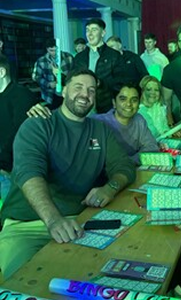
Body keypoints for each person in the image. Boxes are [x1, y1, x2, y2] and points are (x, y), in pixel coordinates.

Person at [0, 69, 136, 279]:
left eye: (91, 90)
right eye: (78, 87)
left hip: (78, 221)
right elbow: (29, 172)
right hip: (26, 224)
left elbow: (124, 166)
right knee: (23, 283)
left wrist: (111, 187)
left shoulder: (100, 130)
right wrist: (53, 220)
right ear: (64, 90)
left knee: (106, 275)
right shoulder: (38, 124)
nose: (85, 95)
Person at [0, 54, 39, 202]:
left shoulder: (22, 96)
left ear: (1, 73)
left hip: (12, 170)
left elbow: (19, 133)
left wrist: (3, 163)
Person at [91, 83, 159, 165]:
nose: (129, 104)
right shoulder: (98, 123)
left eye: (134, 100)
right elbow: (94, 156)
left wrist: (129, 162)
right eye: (123, 99)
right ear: (114, 103)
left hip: (131, 170)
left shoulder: (139, 120)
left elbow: (151, 146)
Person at [74, 18, 125, 113]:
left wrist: (101, 84)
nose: (90, 34)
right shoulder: (79, 57)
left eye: (94, 30)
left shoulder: (114, 56)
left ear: (103, 33)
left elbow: (121, 82)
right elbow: (73, 79)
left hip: (106, 105)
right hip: (83, 104)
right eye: (87, 30)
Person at [32, 38, 74, 106]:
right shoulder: (41, 61)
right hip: (50, 95)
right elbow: (37, 77)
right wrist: (48, 84)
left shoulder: (68, 58)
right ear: (47, 49)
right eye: (51, 50)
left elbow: (74, 74)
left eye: (56, 50)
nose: (54, 53)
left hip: (67, 93)